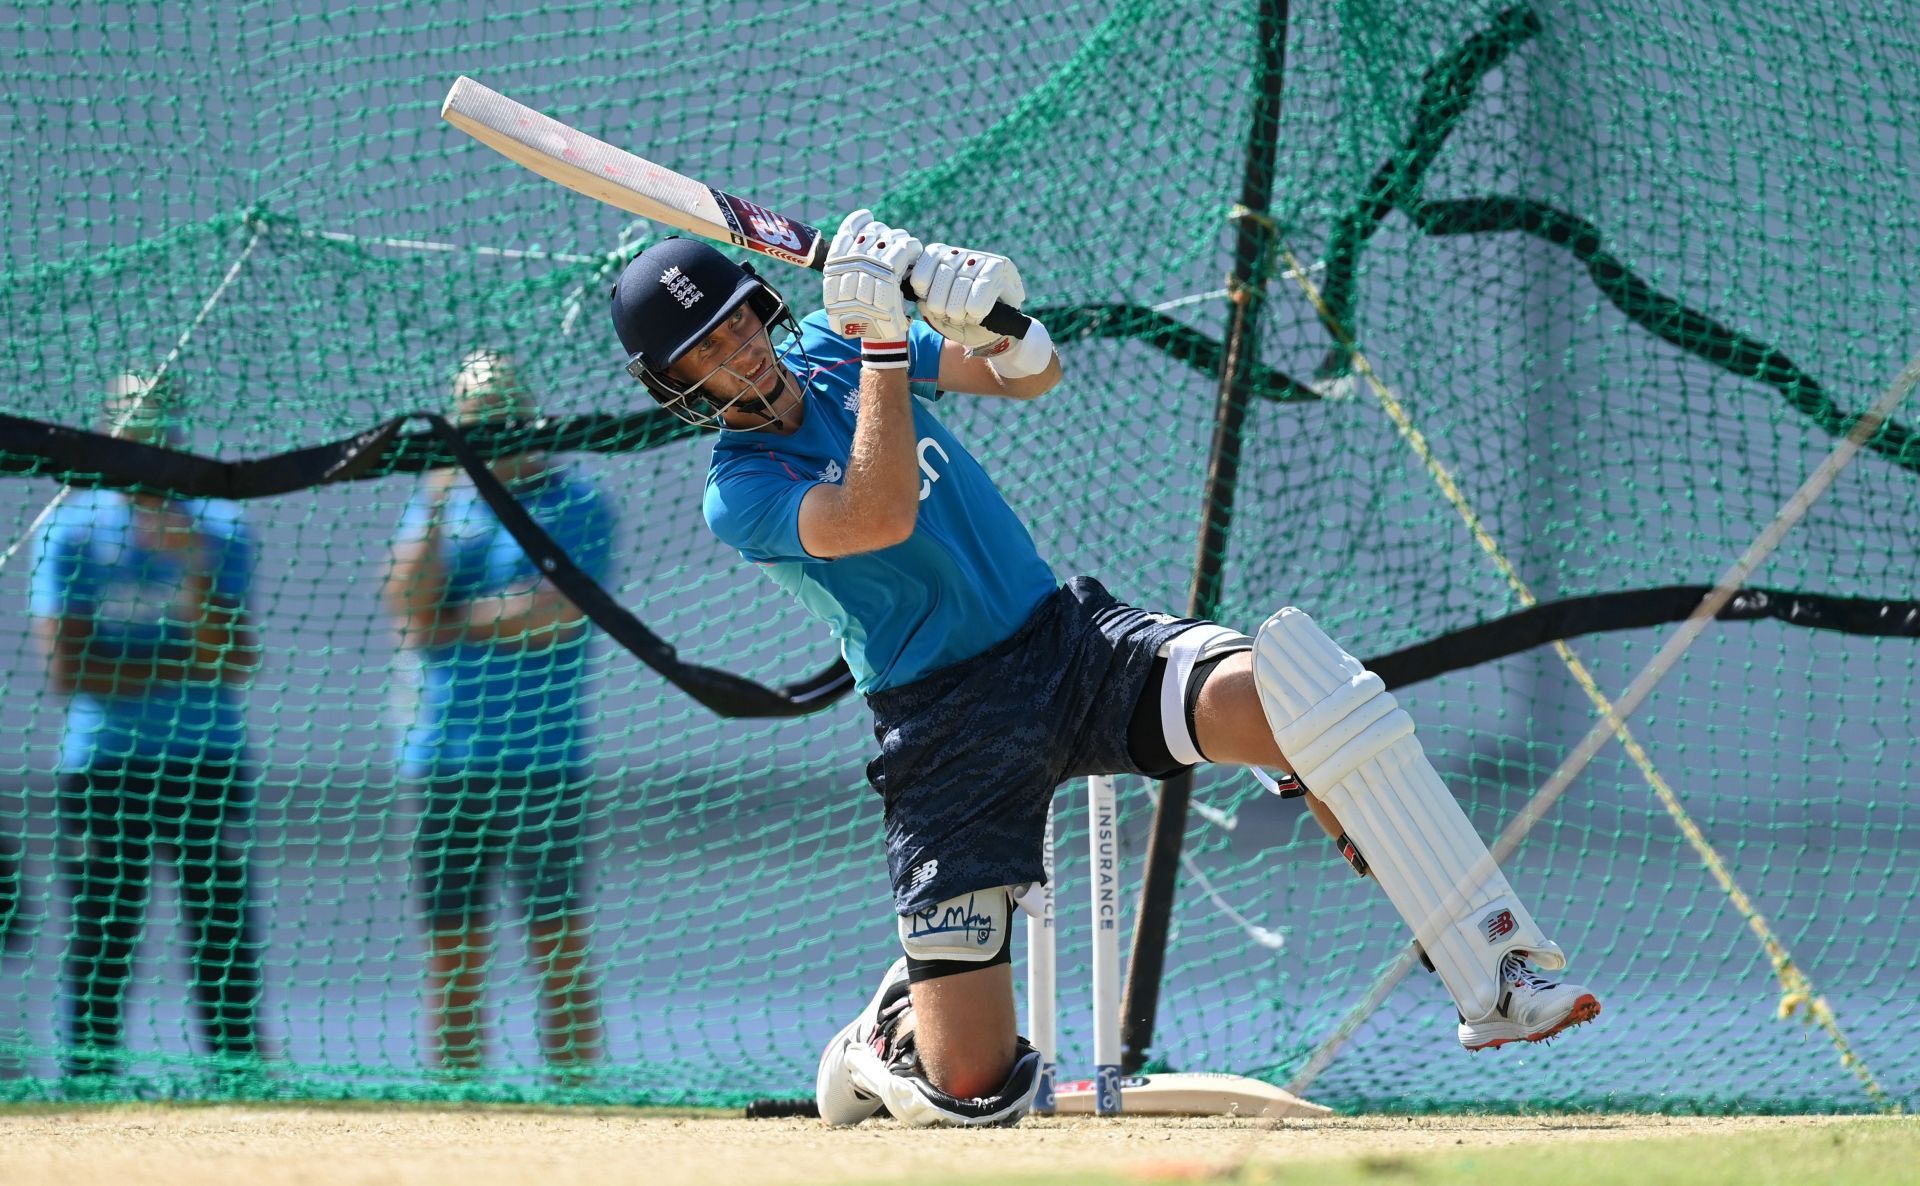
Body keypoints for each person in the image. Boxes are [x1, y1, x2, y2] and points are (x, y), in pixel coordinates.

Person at [607, 215, 1601, 1128]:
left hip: (1062, 642)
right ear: (679, 382)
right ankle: (888, 1031)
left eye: (740, 319)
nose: (738, 348)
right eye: (707, 348)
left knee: (1291, 694)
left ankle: (1490, 968)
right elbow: (879, 514)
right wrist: (877, 339)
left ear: (762, 305)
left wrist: (973, 306)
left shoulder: (831, 345)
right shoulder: (739, 489)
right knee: (972, 1089)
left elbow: (1028, 373)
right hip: (944, 726)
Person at [381, 350, 612, 1080]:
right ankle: (459, 1100)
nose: (494, 439)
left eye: (503, 425)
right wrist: (443, 490)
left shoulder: (577, 502)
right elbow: (406, 606)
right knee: (451, 947)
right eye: (477, 428)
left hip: (540, 760)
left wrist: (451, 620)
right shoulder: (443, 501)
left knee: (557, 939)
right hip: (440, 759)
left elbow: (554, 615)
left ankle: (578, 1094)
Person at [29, 372, 265, 1078]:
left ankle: (239, 1075)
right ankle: (91, 1077)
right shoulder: (71, 531)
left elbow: (233, 658)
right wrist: (177, 667)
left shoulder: (218, 529)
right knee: (104, 925)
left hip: (205, 756)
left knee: (221, 926)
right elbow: (69, 671)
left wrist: (190, 565)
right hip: (104, 760)